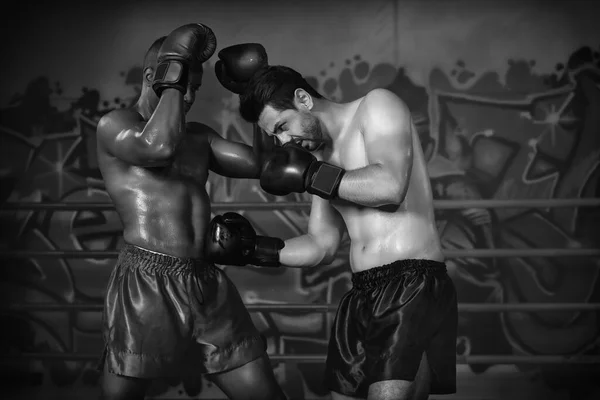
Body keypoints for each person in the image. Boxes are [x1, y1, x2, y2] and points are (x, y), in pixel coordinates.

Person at [216, 60, 458, 400]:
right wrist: (253, 248)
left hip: (411, 284)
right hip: (361, 292)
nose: (284, 140)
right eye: (276, 136)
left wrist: (313, 176)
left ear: (303, 99)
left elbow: (389, 186)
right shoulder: (322, 160)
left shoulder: (376, 105)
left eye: (283, 126)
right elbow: (321, 244)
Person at [95, 25, 286, 400]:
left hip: (205, 282)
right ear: (155, 77)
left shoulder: (199, 137)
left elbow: (266, 166)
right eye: (185, 85)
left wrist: (256, 92)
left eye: (195, 88)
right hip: (146, 283)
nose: (190, 97)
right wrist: (174, 69)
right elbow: (159, 148)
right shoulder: (115, 125)